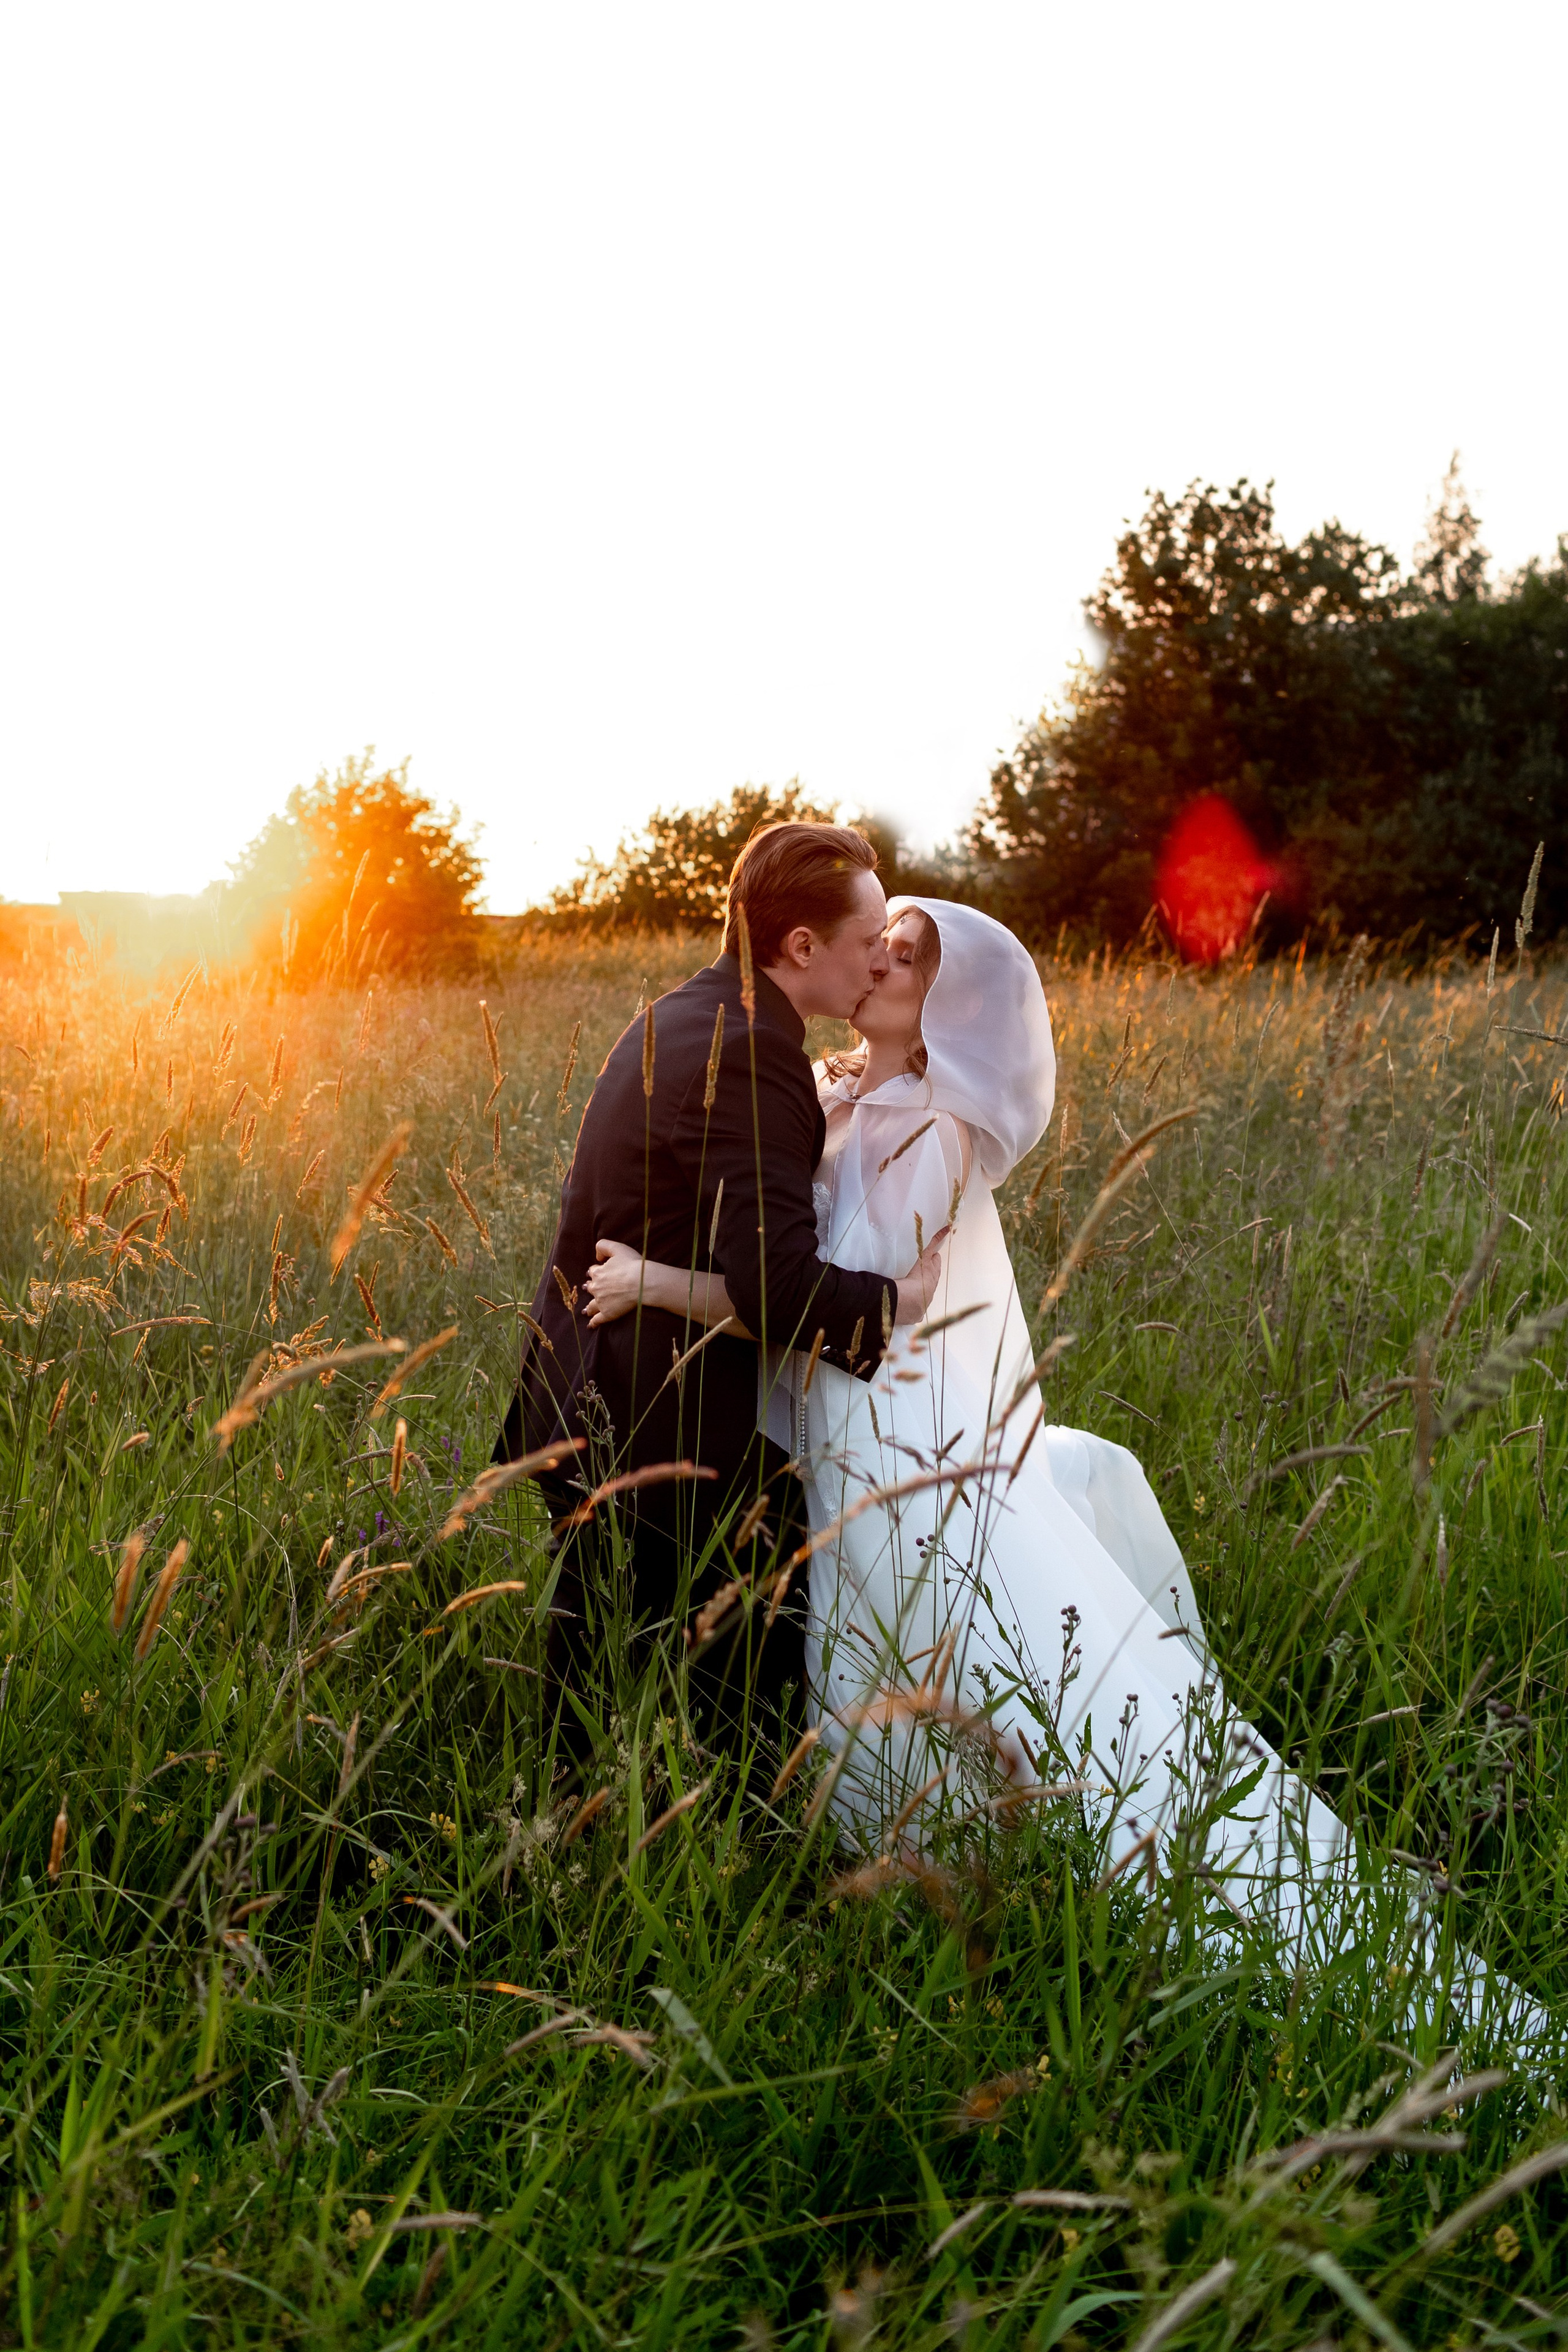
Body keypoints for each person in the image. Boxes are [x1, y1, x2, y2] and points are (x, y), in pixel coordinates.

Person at [587, 895, 1556, 2047]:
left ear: (949, 1007)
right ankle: (900, 1874)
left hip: (894, 1449)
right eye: (884, 945)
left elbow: (820, 1315)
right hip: (834, 1449)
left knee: (959, 1664)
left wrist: (655, 1284)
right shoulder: (839, 1093)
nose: (885, 961)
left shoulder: (935, 1136)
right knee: (869, 1663)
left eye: (909, 958)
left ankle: (1032, 1884)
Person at [496, 823, 946, 1741]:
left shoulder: (680, 1011)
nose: (875, 965)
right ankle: (750, 1859)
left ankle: (563, 1851)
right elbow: (774, 1282)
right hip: (667, 1426)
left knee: (594, 1684)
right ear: (803, 946)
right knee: (747, 1701)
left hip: (593, 1393)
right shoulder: (754, 1052)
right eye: (867, 945)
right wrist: (899, 1305)